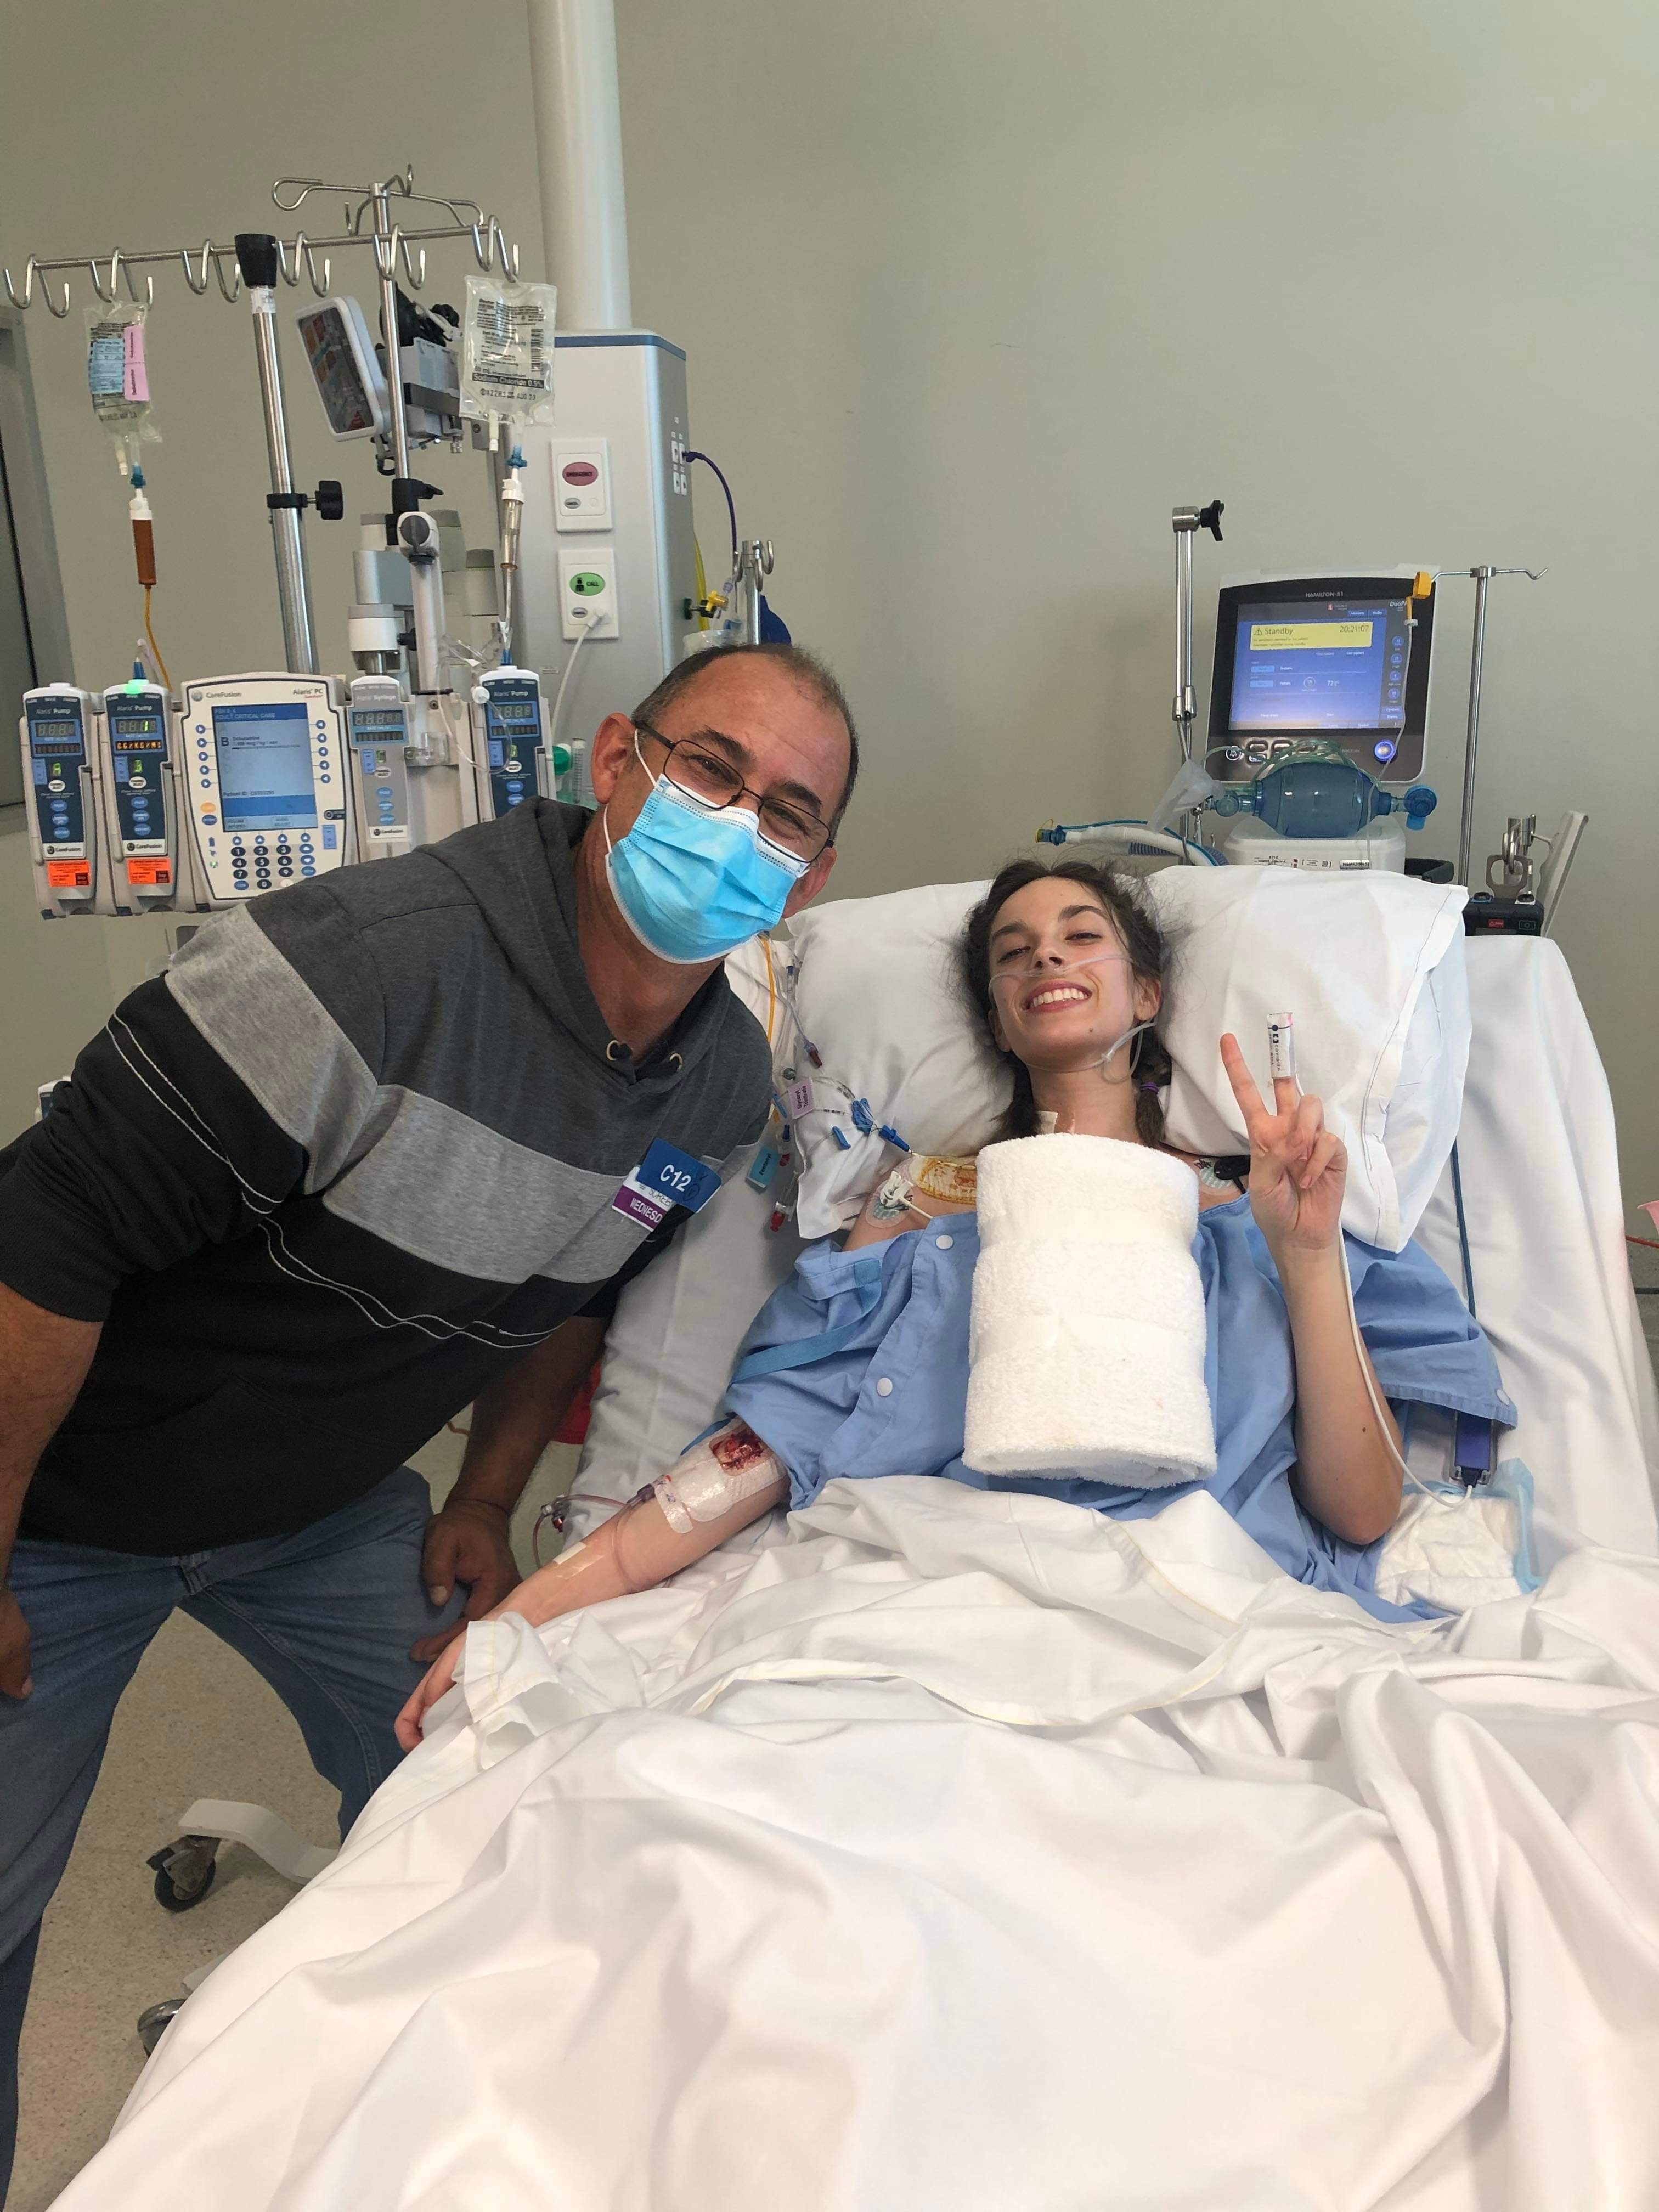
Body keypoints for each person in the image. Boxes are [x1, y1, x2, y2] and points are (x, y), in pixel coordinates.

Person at [0, 640, 857, 2193]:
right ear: (615, 763)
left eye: (787, 814)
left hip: (321, 1510)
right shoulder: (368, 963)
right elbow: (42, 1238)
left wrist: (482, 1499)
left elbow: (574, 1293)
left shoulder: (720, 1091)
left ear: (813, 873)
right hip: (56, 1502)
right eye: (712, 773)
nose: (738, 828)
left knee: (484, 1782)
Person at [396, 855, 1515, 1747]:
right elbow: (764, 1451)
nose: (1049, 959)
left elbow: (1365, 1515)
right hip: (938, 1619)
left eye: (1084, 936)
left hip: (1207, 1622)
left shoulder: (1258, 1207)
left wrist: (1309, 1254)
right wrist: (526, 1619)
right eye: (1015, 953)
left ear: (1148, 991)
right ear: (997, 1015)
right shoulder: (918, 1227)